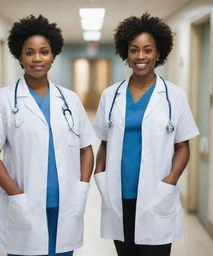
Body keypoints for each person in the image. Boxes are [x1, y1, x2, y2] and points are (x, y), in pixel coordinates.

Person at [0, 15, 96, 256]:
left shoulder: (70, 99)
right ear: (20, 56)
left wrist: (82, 186)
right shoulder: (4, 99)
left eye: (44, 51)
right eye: (29, 52)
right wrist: (15, 194)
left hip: (65, 204)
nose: (37, 58)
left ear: (53, 55)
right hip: (24, 203)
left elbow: (86, 149)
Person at [93, 13, 199, 256]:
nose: (140, 56)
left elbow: (183, 146)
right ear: (126, 54)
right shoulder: (111, 95)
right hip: (119, 196)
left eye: (147, 50)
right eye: (134, 50)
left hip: (155, 195)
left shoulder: (174, 96)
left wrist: (170, 180)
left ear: (158, 53)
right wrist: (100, 175)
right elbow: (104, 143)